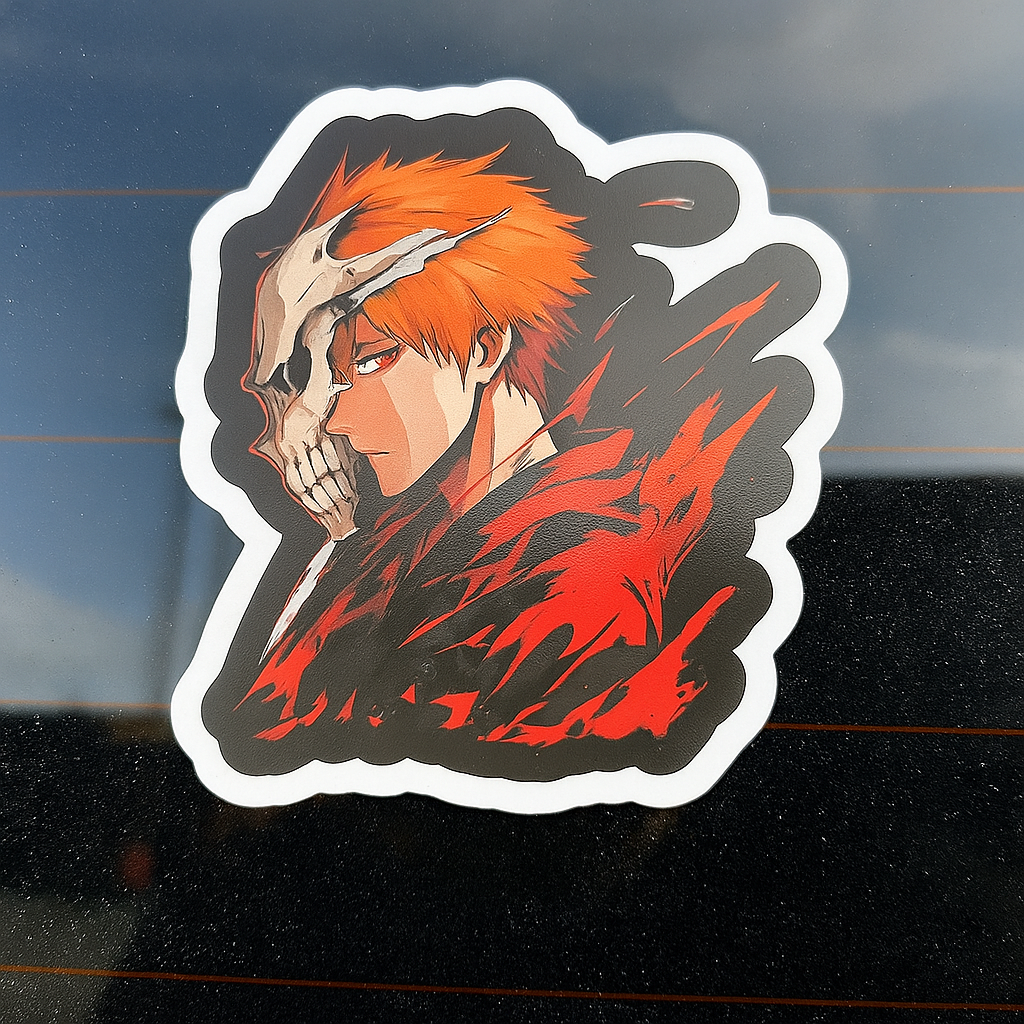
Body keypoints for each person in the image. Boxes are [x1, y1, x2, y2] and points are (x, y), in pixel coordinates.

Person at [204, 143, 815, 782]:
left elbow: (358, 752)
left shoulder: (582, 579)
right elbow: (267, 727)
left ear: (485, 347)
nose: (334, 418)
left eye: (369, 361)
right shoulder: (408, 534)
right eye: (324, 377)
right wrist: (340, 541)